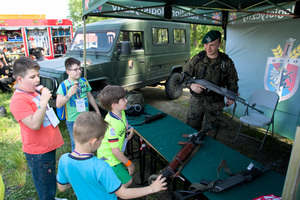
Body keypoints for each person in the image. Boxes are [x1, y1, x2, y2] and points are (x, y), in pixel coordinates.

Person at [57, 111, 167, 199]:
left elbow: (62, 188)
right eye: (101, 139)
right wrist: (152, 188)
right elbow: (123, 194)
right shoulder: (101, 167)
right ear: (94, 142)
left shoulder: (64, 160)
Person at [9, 57, 65, 200]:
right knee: (44, 183)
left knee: (50, 177)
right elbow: (34, 124)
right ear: (20, 79)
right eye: (32, 77)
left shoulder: (32, 92)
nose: (37, 80)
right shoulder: (18, 100)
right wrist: (44, 101)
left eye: (38, 75)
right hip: (39, 151)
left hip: (48, 145)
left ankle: (51, 197)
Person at [182, 30, 239, 139]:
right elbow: (183, 77)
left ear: (220, 44)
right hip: (197, 102)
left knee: (211, 134)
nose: (208, 48)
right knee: (190, 129)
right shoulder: (197, 59)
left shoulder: (226, 62)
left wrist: (231, 95)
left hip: (215, 104)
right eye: (206, 44)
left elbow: (232, 82)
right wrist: (192, 85)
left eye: (212, 45)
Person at [56, 57, 100, 151]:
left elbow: (90, 96)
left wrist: (97, 110)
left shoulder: (84, 81)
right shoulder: (64, 85)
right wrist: (69, 94)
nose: (79, 71)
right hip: (73, 121)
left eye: (80, 69)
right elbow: (59, 104)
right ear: (68, 71)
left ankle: (86, 158)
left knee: (88, 141)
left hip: (86, 118)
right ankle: (76, 162)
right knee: (76, 144)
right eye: (75, 69)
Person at [97, 85, 135, 188]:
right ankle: (113, 195)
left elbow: (125, 124)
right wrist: (129, 164)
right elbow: (115, 152)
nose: (126, 101)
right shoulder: (111, 125)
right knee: (128, 181)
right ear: (114, 105)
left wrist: (130, 128)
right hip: (110, 159)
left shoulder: (121, 112)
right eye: (123, 99)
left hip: (116, 156)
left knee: (115, 179)